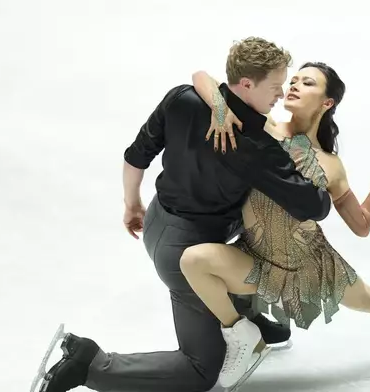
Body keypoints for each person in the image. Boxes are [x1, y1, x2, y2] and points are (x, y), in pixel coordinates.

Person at [34, 37, 333, 392]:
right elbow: (316, 206)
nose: (281, 94)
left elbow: (136, 156)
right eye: (275, 86)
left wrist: (132, 205)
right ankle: (90, 365)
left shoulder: (182, 98)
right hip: (185, 255)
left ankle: (247, 315)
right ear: (247, 84)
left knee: (256, 224)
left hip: (158, 221)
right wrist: (314, 161)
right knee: (201, 370)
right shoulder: (255, 144)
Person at [181, 62, 370, 387]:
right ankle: (241, 333)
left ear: (327, 102)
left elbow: (362, 225)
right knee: (193, 260)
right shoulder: (264, 127)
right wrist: (219, 107)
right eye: (294, 80)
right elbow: (201, 77)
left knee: (369, 299)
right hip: (256, 258)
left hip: (309, 265)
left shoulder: (330, 165)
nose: (295, 85)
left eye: (307, 83)